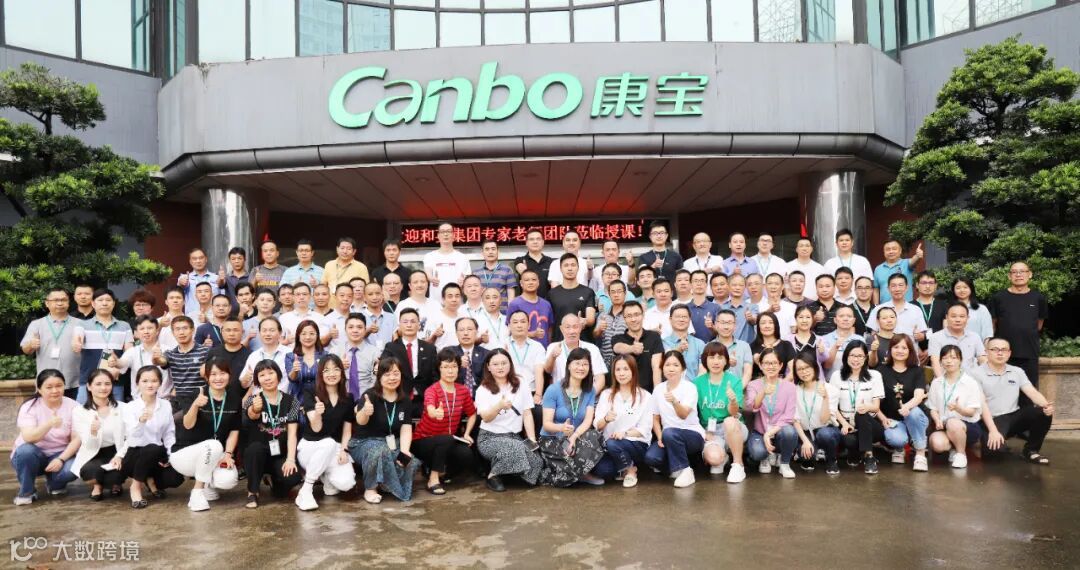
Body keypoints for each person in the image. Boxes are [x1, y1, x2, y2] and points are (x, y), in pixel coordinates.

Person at [172, 360, 242, 511]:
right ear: (207, 377)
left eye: (222, 373)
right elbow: (188, 425)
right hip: (185, 454)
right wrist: (195, 405)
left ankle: (208, 486)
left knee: (228, 480)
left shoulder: (234, 398)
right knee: (214, 444)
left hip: (214, 454)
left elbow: (234, 430)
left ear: (229, 375)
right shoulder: (196, 394)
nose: (218, 378)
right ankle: (197, 492)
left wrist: (228, 455)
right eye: (213, 374)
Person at [349, 356, 420, 503]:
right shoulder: (370, 395)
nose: (392, 378)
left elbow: (406, 428)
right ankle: (370, 488)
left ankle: (385, 484)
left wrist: (405, 451)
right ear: (379, 376)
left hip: (392, 444)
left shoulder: (405, 400)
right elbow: (360, 421)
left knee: (411, 462)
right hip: (364, 443)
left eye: (396, 373)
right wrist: (365, 412)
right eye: (387, 374)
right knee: (379, 450)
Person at [974, 337, 1054, 465]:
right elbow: (982, 404)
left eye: (1004, 350)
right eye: (995, 349)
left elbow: (1032, 392)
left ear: (1009, 353)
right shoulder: (975, 373)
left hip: (1013, 416)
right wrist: (993, 431)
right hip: (990, 419)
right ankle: (993, 441)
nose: (1000, 353)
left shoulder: (1017, 371)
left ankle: (1031, 451)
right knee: (995, 455)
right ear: (986, 352)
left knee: (1043, 413)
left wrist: (1046, 405)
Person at [412, 349, 478, 495]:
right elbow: (430, 407)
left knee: (466, 453)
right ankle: (433, 479)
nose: (450, 371)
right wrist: (434, 412)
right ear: (439, 369)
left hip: (448, 440)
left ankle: (442, 472)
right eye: (446, 367)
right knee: (445, 439)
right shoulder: (432, 390)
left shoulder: (463, 391)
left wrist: (467, 433)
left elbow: (472, 413)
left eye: (454, 366)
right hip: (423, 441)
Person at [475, 350, 542, 492]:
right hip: (489, 438)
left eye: (504, 363)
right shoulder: (483, 389)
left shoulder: (521, 383)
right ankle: (493, 475)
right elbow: (486, 417)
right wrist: (499, 406)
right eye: (495, 364)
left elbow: (527, 413)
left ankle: (508, 472)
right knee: (515, 448)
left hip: (513, 436)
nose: (500, 367)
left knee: (537, 462)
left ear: (510, 364)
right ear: (488, 367)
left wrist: (531, 439)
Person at [296, 355, 357, 510]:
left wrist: (344, 450)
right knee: (328, 443)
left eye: (336, 369)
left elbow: (347, 430)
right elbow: (316, 428)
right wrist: (317, 413)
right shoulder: (311, 392)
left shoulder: (348, 398)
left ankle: (325, 475)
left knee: (347, 483)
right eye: (326, 370)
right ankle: (306, 490)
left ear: (342, 372)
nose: (331, 374)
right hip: (310, 447)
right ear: (320, 374)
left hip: (334, 448)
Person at [538, 347, 605, 487]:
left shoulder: (590, 390)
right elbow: (547, 424)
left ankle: (581, 473)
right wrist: (561, 428)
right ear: (569, 365)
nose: (581, 368)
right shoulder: (553, 390)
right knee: (565, 477)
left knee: (594, 436)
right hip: (552, 439)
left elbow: (588, 420)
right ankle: (574, 473)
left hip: (575, 437)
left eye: (585, 364)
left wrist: (574, 437)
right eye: (577, 363)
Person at [11, 369, 79, 506]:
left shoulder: (74, 406)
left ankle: (55, 484)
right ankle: (27, 492)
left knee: (73, 468)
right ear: (39, 389)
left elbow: (76, 439)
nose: (55, 390)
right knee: (25, 451)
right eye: (49, 387)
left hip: (59, 454)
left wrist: (61, 459)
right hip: (32, 456)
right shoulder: (29, 407)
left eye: (59, 386)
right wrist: (49, 424)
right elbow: (29, 438)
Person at [242, 360, 303, 508]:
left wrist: (290, 459)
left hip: (280, 454)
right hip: (258, 454)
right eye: (262, 375)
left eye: (271, 373)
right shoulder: (253, 400)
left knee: (292, 478)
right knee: (254, 450)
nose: (267, 378)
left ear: (278, 375)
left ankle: (274, 482)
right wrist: (255, 410)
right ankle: (252, 492)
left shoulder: (292, 401)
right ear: (257, 380)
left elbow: (292, 433)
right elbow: (251, 414)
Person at [119, 366, 179, 508]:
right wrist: (141, 422)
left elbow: (169, 434)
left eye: (154, 381)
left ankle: (149, 478)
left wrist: (171, 456)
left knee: (175, 478)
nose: (150, 385)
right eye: (145, 381)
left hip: (156, 455)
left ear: (160, 383)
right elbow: (132, 437)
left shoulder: (166, 405)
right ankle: (136, 486)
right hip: (134, 455)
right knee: (152, 448)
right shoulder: (130, 407)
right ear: (137, 383)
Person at [644, 351, 705, 487]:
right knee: (651, 458)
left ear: (683, 368)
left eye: (676, 365)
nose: (671, 369)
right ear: (662, 368)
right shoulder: (658, 389)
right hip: (668, 436)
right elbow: (655, 418)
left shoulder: (690, 387)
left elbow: (683, 414)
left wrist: (674, 402)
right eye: (667, 365)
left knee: (670, 432)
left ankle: (686, 471)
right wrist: (660, 437)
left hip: (692, 434)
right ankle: (678, 467)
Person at [591, 356, 653, 487]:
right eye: (618, 369)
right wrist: (606, 419)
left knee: (613, 443)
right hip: (610, 447)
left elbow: (645, 429)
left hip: (636, 444)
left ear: (633, 371)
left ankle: (630, 471)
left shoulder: (645, 396)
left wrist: (624, 434)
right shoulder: (606, 394)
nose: (621, 373)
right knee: (603, 471)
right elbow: (597, 425)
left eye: (626, 369)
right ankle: (625, 467)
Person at [693, 343, 748, 483]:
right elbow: (692, 413)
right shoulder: (697, 383)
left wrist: (733, 401)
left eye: (720, 357)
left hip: (733, 428)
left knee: (729, 421)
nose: (716, 362)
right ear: (705, 360)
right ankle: (723, 458)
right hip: (710, 430)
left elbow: (733, 413)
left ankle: (738, 464)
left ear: (726, 361)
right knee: (714, 459)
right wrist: (702, 432)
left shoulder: (734, 381)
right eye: (711, 357)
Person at [829, 341, 886, 475]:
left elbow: (876, 407)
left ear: (865, 358)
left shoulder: (875, 376)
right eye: (852, 355)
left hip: (870, 424)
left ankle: (869, 456)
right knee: (850, 441)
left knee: (861, 414)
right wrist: (843, 423)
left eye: (860, 356)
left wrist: (867, 407)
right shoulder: (836, 376)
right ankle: (854, 453)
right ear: (846, 357)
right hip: (846, 423)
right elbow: (832, 405)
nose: (856, 359)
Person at [988, 261, 1048, 386]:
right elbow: (992, 324)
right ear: (1009, 276)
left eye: (1022, 271)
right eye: (1014, 272)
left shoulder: (1038, 298)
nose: (1018, 275)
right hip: (1003, 353)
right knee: (1003, 390)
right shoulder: (998, 298)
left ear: (1030, 274)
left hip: (1029, 352)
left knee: (1028, 389)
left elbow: (1039, 324)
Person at [876, 335, 930, 471]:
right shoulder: (881, 371)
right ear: (890, 350)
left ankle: (920, 453)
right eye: (896, 347)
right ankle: (899, 448)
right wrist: (883, 418)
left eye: (904, 348)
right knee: (896, 439)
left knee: (914, 412)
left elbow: (919, 396)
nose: (900, 351)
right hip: (893, 419)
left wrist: (907, 407)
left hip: (915, 417)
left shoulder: (917, 370)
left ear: (910, 351)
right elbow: (874, 399)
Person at [72, 369, 126, 501]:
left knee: (115, 475)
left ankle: (115, 483)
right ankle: (98, 485)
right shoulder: (79, 411)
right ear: (89, 386)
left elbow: (131, 437)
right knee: (90, 471)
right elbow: (88, 444)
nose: (103, 388)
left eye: (107, 384)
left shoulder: (123, 407)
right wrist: (93, 432)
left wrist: (119, 456)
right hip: (94, 452)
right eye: (98, 384)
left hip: (117, 451)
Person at [927, 345, 984, 469]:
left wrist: (959, 409)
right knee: (937, 444)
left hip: (967, 426)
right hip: (944, 425)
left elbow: (972, 412)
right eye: (945, 358)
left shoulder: (970, 382)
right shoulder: (937, 383)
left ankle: (961, 454)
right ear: (940, 361)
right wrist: (937, 420)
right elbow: (933, 408)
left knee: (953, 422)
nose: (949, 361)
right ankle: (954, 448)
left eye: (953, 357)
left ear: (960, 360)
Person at [72, 288, 134, 404]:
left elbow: (130, 353)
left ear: (113, 304)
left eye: (108, 300)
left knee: (115, 412)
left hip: (114, 381)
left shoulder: (124, 326)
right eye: (100, 300)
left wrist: (119, 370)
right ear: (93, 304)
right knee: (83, 412)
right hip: (88, 380)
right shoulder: (82, 324)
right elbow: (76, 340)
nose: (104, 303)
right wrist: (76, 345)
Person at [745, 349, 799, 478]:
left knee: (789, 432)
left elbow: (788, 417)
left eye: (774, 363)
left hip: (779, 431)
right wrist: (763, 392)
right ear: (760, 365)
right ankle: (766, 457)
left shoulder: (790, 387)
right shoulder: (753, 385)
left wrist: (769, 433)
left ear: (781, 365)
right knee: (758, 453)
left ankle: (784, 463)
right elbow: (752, 407)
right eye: (767, 363)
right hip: (760, 431)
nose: (771, 366)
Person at [22, 288, 81, 399]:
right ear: (47, 303)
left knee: (74, 410)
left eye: (63, 300)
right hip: (46, 382)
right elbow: (25, 350)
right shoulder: (36, 324)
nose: (60, 303)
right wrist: (31, 345)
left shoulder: (80, 324)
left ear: (68, 302)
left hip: (74, 382)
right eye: (56, 300)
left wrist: (81, 346)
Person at [791, 353, 842, 474]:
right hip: (805, 432)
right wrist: (805, 441)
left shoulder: (830, 389)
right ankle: (809, 453)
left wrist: (825, 398)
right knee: (807, 456)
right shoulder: (794, 390)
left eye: (807, 367)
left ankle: (831, 459)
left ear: (814, 367)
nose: (804, 372)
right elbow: (795, 420)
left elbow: (824, 420)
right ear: (796, 372)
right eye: (800, 369)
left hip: (825, 429)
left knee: (825, 434)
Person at [382, 308, 437, 405]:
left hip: (424, 399)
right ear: (399, 325)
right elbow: (383, 371)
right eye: (405, 322)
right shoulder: (391, 347)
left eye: (413, 321)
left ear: (419, 325)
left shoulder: (430, 348)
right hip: (399, 398)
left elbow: (435, 375)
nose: (409, 325)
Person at [544, 314, 607, 393]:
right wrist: (552, 357)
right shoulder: (553, 347)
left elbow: (600, 379)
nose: (572, 331)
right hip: (560, 396)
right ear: (561, 329)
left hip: (586, 394)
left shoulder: (592, 349)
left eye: (575, 327)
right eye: (568, 327)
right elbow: (547, 370)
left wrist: (588, 397)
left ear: (580, 328)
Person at [153, 316, 211, 400]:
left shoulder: (205, 351)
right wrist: (156, 358)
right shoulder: (171, 354)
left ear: (193, 330)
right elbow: (162, 361)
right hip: (180, 401)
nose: (181, 332)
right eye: (177, 329)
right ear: (173, 333)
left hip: (201, 399)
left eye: (185, 328)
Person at [612, 301, 664, 391]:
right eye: (629, 316)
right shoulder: (617, 338)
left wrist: (657, 392)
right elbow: (617, 347)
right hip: (625, 392)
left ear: (643, 315)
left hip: (649, 391)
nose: (633, 319)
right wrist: (632, 348)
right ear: (624, 319)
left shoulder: (654, 337)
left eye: (636, 315)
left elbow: (656, 367)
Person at [118, 315, 173, 399]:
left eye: (150, 328)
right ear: (136, 333)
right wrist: (116, 362)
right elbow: (123, 363)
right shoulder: (132, 351)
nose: (146, 332)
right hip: (139, 401)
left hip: (164, 400)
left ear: (157, 330)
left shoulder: (168, 350)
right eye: (142, 329)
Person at [547, 253, 597, 342]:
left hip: (583, 343)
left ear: (578, 268)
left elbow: (591, 318)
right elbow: (549, 323)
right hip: (559, 343)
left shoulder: (588, 292)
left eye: (573, 265)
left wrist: (585, 321)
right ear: (561, 269)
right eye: (566, 265)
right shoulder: (552, 294)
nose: (570, 268)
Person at [928, 303, 987, 377]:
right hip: (945, 379)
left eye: (962, 316)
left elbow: (982, 359)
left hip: (969, 380)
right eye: (953, 316)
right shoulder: (936, 337)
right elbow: (935, 362)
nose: (958, 320)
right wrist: (942, 382)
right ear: (946, 317)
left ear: (967, 318)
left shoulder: (975, 336)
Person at [867, 274, 929, 344]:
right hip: (885, 350)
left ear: (907, 288)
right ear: (888, 289)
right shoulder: (878, 309)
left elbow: (922, 334)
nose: (897, 289)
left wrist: (921, 336)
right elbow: (873, 334)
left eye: (900, 285)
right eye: (893, 286)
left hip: (910, 350)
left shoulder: (916, 310)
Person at [335, 313, 380, 399]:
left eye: (359, 327)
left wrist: (368, 399)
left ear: (365, 330)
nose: (355, 330)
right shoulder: (335, 351)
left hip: (367, 398)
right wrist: (337, 367)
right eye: (351, 327)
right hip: (341, 399)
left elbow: (376, 380)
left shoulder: (374, 352)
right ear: (345, 330)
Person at [239, 317, 289, 394]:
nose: (268, 334)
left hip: (283, 399)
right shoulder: (254, 356)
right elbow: (244, 385)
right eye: (264, 330)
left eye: (272, 330)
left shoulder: (289, 353)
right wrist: (246, 379)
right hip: (258, 399)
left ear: (280, 332)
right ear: (259, 333)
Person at [506, 269, 554, 347]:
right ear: (521, 283)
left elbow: (549, 330)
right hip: (522, 349)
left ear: (538, 282)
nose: (530, 282)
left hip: (543, 350)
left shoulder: (546, 304)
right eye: (527, 280)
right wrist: (533, 334)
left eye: (533, 280)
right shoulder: (515, 304)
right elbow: (510, 331)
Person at [424, 223, 471, 298]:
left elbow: (468, 279)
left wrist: (464, 282)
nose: (445, 234)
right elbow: (428, 273)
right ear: (438, 236)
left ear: (454, 235)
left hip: (456, 301)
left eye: (449, 231)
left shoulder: (462, 257)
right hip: (435, 301)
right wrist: (430, 278)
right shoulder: (429, 256)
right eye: (442, 231)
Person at [323, 237, 370, 311]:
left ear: (354, 251)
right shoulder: (329, 265)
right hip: (330, 307)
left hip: (351, 309)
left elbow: (366, 289)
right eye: (342, 248)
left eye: (348, 249)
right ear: (337, 249)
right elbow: (324, 285)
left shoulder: (361, 267)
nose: (345, 251)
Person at [285, 320, 328, 400]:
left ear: (317, 335)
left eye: (311, 333)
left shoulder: (325, 356)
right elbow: (291, 379)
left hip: (320, 400)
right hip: (297, 400)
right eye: (304, 334)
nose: (308, 337)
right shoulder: (290, 356)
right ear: (298, 336)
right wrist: (295, 370)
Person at [279, 283, 331, 347]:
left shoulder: (320, 318)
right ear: (293, 297)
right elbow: (277, 342)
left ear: (310, 296)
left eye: (304, 294)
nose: (301, 297)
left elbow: (323, 341)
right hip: (291, 352)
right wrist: (286, 341)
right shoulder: (283, 318)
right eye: (298, 294)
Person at [663, 305, 706, 380]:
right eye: (677, 317)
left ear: (690, 319)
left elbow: (703, 370)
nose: (681, 320)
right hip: (670, 385)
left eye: (684, 317)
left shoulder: (699, 344)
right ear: (670, 319)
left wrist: (694, 386)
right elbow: (663, 364)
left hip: (694, 386)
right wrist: (678, 350)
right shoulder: (663, 342)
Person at [873, 240, 923, 304]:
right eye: (888, 249)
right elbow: (876, 290)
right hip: (885, 308)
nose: (891, 251)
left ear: (900, 251)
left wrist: (918, 256)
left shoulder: (906, 263)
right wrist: (876, 306)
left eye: (894, 249)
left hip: (906, 307)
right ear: (884, 252)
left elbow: (914, 261)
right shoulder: (878, 269)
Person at [750, 312, 796, 380]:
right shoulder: (751, 346)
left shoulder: (786, 345)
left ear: (776, 325)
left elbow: (793, 371)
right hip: (757, 384)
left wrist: (781, 384)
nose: (767, 326)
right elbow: (746, 371)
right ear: (758, 326)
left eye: (770, 322)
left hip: (781, 383)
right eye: (763, 323)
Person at [448, 318, 489, 393]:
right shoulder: (448, 353)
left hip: (480, 396)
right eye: (461, 330)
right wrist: (457, 364)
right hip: (455, 395)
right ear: (456, 333)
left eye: (469, 329)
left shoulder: (486, 354)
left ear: (476, 332)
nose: (466, 333)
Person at [913, 270, 948, 358]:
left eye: (931, 283)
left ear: (935, 285)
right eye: (924, 283)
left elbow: (946, 331)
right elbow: (906, 332)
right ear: (917, 285)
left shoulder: (944, 305)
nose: (927, 286)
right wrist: (917, 350)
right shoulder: (910, 306)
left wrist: (930, 350)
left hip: (938, 352)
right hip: (915, 352)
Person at [475, 239, 517, 312]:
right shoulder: (476, 273)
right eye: (487, 249)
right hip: (481, 313)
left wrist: (510, 313)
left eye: (493, 249)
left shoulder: (507, 270)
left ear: (498, 252)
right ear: (482, 253)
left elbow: (511, 298)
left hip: (502, 314)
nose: (490, 252)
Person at [714, 309, 754, 386]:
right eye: (722, 322)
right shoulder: (708, 346)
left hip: (738, 390)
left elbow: (747, 373)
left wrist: (737, 389)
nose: (726, 327)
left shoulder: (744, 346)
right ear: (716, 324)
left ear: (735, 325)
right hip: (714, 391)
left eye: (729, 323)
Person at [594, 279, 629, 367]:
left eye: (619, 291)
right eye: (613, 292)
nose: (616, 295)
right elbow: (595, 335)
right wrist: (599, 330)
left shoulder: (630, 314)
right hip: (605, 363)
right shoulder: (603, 315)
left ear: (625, 293)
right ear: (609, 295)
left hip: (625, 362)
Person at [177, 248, 222, 315]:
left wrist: (222, 282)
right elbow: (178, 290)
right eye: (194, 259)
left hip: (214, 316)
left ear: (206, 259)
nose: (198, 261)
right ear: (190, 261)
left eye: (201, 258)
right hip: (192, 318)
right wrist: (181, 283)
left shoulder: (216, 278)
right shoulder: (185, 278)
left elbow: (222, 298)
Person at [513, 229, 555, 298]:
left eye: (538, 239)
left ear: (543, 242)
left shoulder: (551, 262)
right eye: (531, 239)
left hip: (548, 302)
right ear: (526, 243)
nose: (535, 242)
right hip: (527, 302)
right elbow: (521, 270)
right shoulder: (520, 260)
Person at [821, 305, 860, 379]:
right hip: (831, 381)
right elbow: (826, 365)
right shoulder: (825, 339)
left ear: (854, 320)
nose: (845, 319)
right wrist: (836, 347)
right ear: (835, 320)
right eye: (841, 316)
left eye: (849, 316)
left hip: (855, 381)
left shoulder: (860, 339)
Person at [424, 283, 466, 350]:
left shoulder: (464, 318)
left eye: (457, 296)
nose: (454, 299)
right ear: (443, 299)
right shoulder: (433, 317)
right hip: (441, 356)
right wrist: (434, 335)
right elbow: (425, 344)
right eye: (450, 296)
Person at [718, 275, 757, 344]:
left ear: (745, 287)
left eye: (741, 285)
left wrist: (751, 318)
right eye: (734, 285)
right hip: (725, 347)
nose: (737, 288)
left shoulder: (752, 307)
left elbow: (755, 320)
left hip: (746, 348)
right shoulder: (721, 308)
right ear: (728, 286)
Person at [687, 270, 720, 344]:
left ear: (706, 284)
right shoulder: (685, 309)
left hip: (711, 347)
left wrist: (712, 327)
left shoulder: (716, 308)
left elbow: (721, 333)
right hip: (689, 347)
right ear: (690, 284)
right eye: (696, 281)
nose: (699, 284)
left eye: (702, 281)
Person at [157, 286, 187, 351]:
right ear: (166, 302)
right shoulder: (158, 322)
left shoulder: (191, 322)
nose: (175, 301)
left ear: (184, 302)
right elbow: (150, 341)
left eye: (178, 298)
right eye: (171, 298)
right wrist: (160, 326)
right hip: (164, 356)